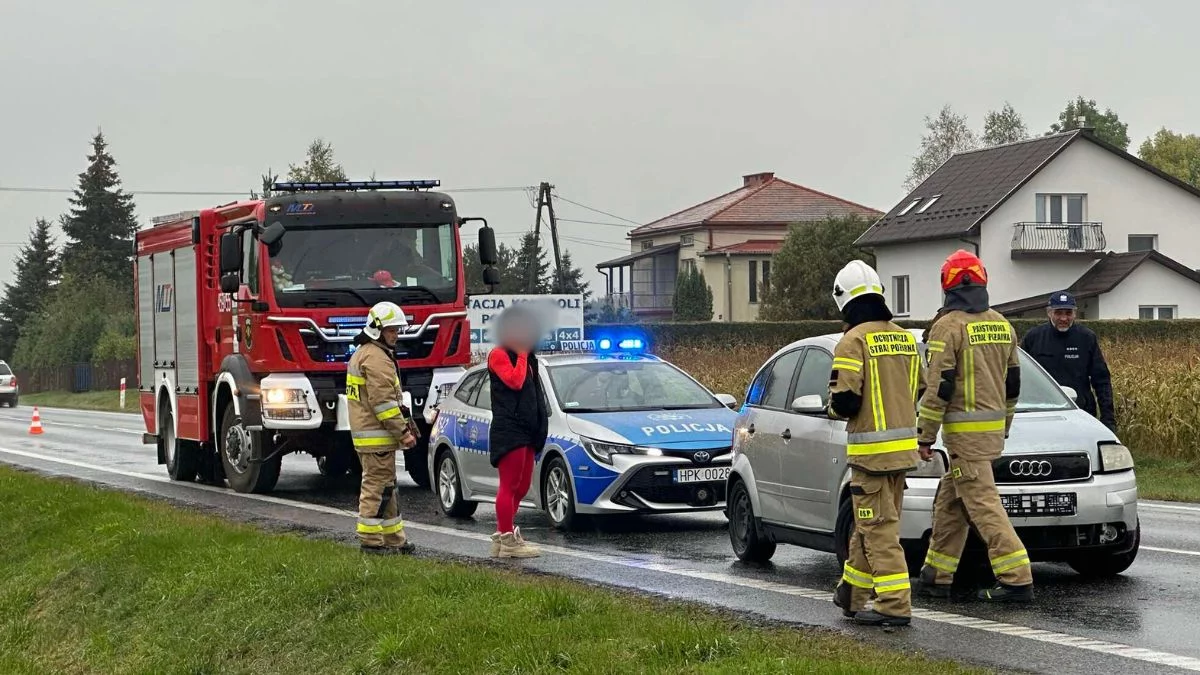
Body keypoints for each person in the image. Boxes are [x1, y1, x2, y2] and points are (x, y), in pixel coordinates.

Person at [916, 250, 1032, 603]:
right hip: (992, 433)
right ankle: (937, 573)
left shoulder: (947, 327)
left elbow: (939, 387)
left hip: (964, 439)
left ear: (947, 285)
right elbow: (1013, 385)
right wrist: (1005, 426)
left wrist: (925, 435)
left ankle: (1016, 578)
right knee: (951, 503)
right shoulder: (1002, 324)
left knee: (983, 505)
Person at [827, 260, 925, 627]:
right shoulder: (904, 337)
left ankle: (895, 605)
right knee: (870, 526)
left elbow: (846, 401)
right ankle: (852, 593)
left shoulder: (851, 341)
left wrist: (832, 406)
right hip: (902, 453)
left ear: (844, 300)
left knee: (878, 531)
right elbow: (921, 389)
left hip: (870, 457)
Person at [346, 301, 419, 555]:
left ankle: (394, 538)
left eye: (397, 330)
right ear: (377, 329)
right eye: (391, 330)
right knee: (377, 487)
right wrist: (404, 432)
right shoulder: (377, 358)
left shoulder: (365, 353)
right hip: (376, 437)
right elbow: (384, 404)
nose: (396, 335)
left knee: (387, 486)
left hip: (370, 436)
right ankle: (371, 541)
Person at [487, 305, 548, 558]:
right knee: (509, 485)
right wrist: (522, 356)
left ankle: (507, 533)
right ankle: (505, 538)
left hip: (527, 430)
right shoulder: (499, 354)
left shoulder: (529, 358)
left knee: (522, 486)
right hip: (509, 429)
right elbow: (515, 381)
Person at [1020, 291, 1116, 432]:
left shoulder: (1087, 338)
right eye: (1058, 313)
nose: (1064, 318)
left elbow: (1102, 381)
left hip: (1081, 412)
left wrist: (1108, 421)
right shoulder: (1033, 338)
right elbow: (1022, 379)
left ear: (1075, 314)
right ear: (1049, 313)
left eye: (1068, 313)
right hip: (1043, 413)